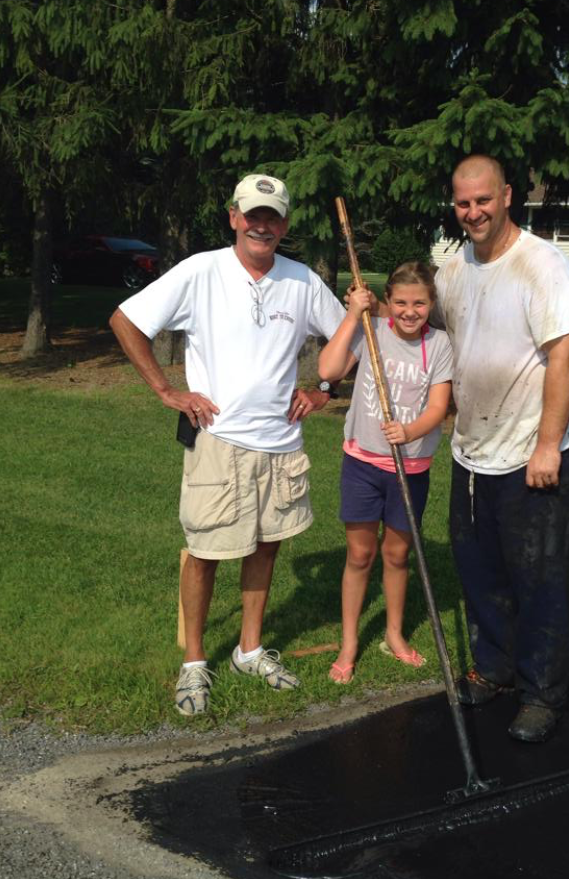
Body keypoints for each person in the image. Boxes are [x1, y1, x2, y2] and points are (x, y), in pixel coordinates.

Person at [110, 173, 350, 716]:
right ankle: (195, 662)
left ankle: (249, 649)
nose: (263, 226)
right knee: (205, 553)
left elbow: (349, 336)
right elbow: (125, 320)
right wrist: (166, 390)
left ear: (284, 225)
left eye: (273, 218)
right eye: (253, 215)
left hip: (281, 443)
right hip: (218, 440)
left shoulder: (302, 281)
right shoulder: (202, 271)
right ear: (234, 217)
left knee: (266, 545)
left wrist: (324, 389)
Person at [435, 154, 569, 742]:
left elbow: (567, 356)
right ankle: (495, 667)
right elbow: (436, 334)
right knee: (480, 568)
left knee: (541, 577)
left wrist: (548, 447)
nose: (473, 212)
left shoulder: (543, 264)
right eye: (462, 202)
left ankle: (542, 691)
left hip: (535, 451)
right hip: (473, 450)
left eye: (483, 200)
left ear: (506, 197)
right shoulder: (453, 270)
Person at [317, 262, 453, 684]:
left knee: (397, 554)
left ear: (431, 304)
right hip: (363, 463)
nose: (410, 312)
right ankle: (349, 642)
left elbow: (439, 407)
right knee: (360, 555)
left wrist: (409, 431)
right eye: (401, 303)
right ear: (388, 302)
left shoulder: (440, 344)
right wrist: (352, 315)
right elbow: (328, 371)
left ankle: (394, 633)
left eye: (419, 303)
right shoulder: (371, 330)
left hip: (410, 469)